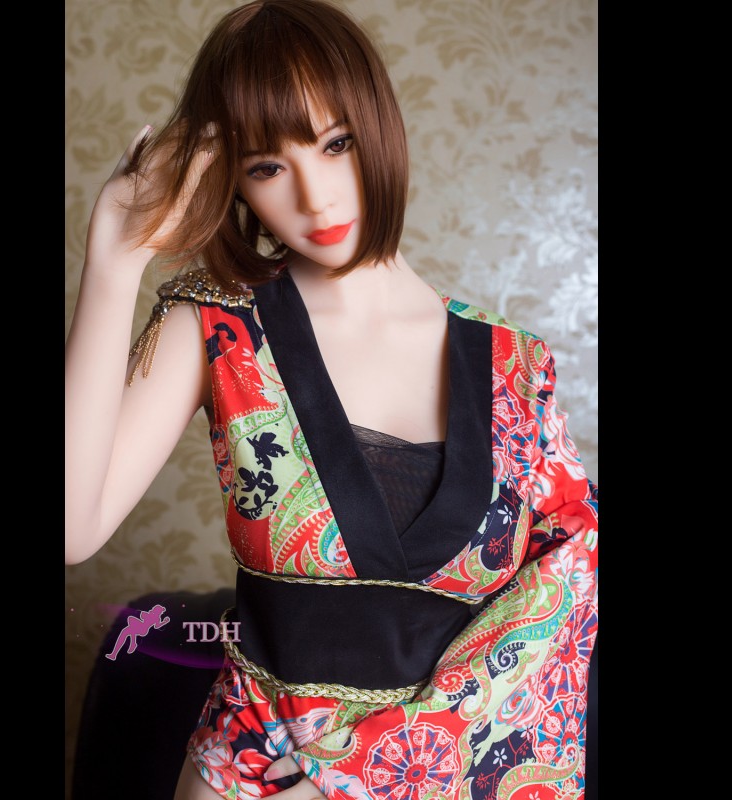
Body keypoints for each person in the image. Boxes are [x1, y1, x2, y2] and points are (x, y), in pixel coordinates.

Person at [64, 0, 598, 797]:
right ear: (233, 180)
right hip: (253, 781)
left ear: (379, 129)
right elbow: (72, 529)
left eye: (335, 144)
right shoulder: (216, 324)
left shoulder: (514, 363)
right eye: (266, 167)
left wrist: (359, 775)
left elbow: (572, 579)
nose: (315, 197)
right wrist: (115, 262)